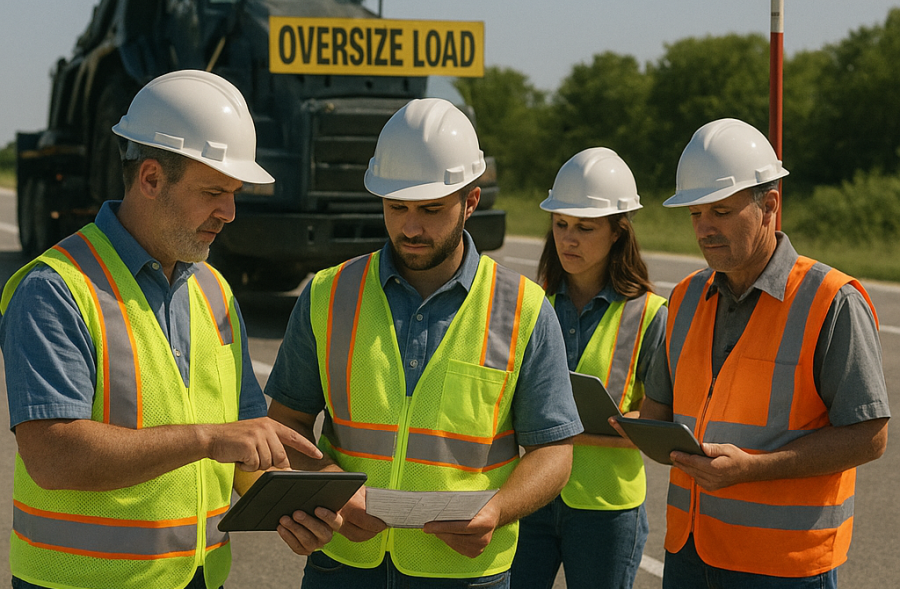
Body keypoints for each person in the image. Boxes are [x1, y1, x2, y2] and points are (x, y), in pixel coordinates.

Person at [0, 70, 339, 589]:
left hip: (197, 578)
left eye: (234, 194)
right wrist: (207, 439)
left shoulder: (214, 291)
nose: (228, 212)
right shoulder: (56, 289)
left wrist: (300, 503)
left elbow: (246, 442)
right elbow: (53, 456)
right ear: (151, 178)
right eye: (213, 192)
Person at [265, 97, 583, 588]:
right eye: (396, 208)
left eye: (431, 209)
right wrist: (328, 482)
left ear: (471, 201)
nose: (410, 227)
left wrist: (498, 509)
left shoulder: (524, 309)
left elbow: (554, 451)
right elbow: (286, 424)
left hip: (464, 574)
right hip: (343, 565)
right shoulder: (328, 294)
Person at [638, 118, 890, 588]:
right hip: (691, 552)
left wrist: (754, 469)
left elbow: (869, 437)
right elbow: (659, 413)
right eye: (695, 214)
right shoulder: (685, 298)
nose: (704, 229)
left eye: (721, 212)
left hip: (785, 564)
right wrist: (620, 424)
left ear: (770, 205)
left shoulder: (831, 300)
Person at [510, 148, 667, 589]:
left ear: (618, 232)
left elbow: (659, 421)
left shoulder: (652, 315)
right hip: (531, 496)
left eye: (585, 227)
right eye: (561, 224)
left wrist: (560, 429)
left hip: (607, 510)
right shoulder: (531, 305)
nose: (568, 239)